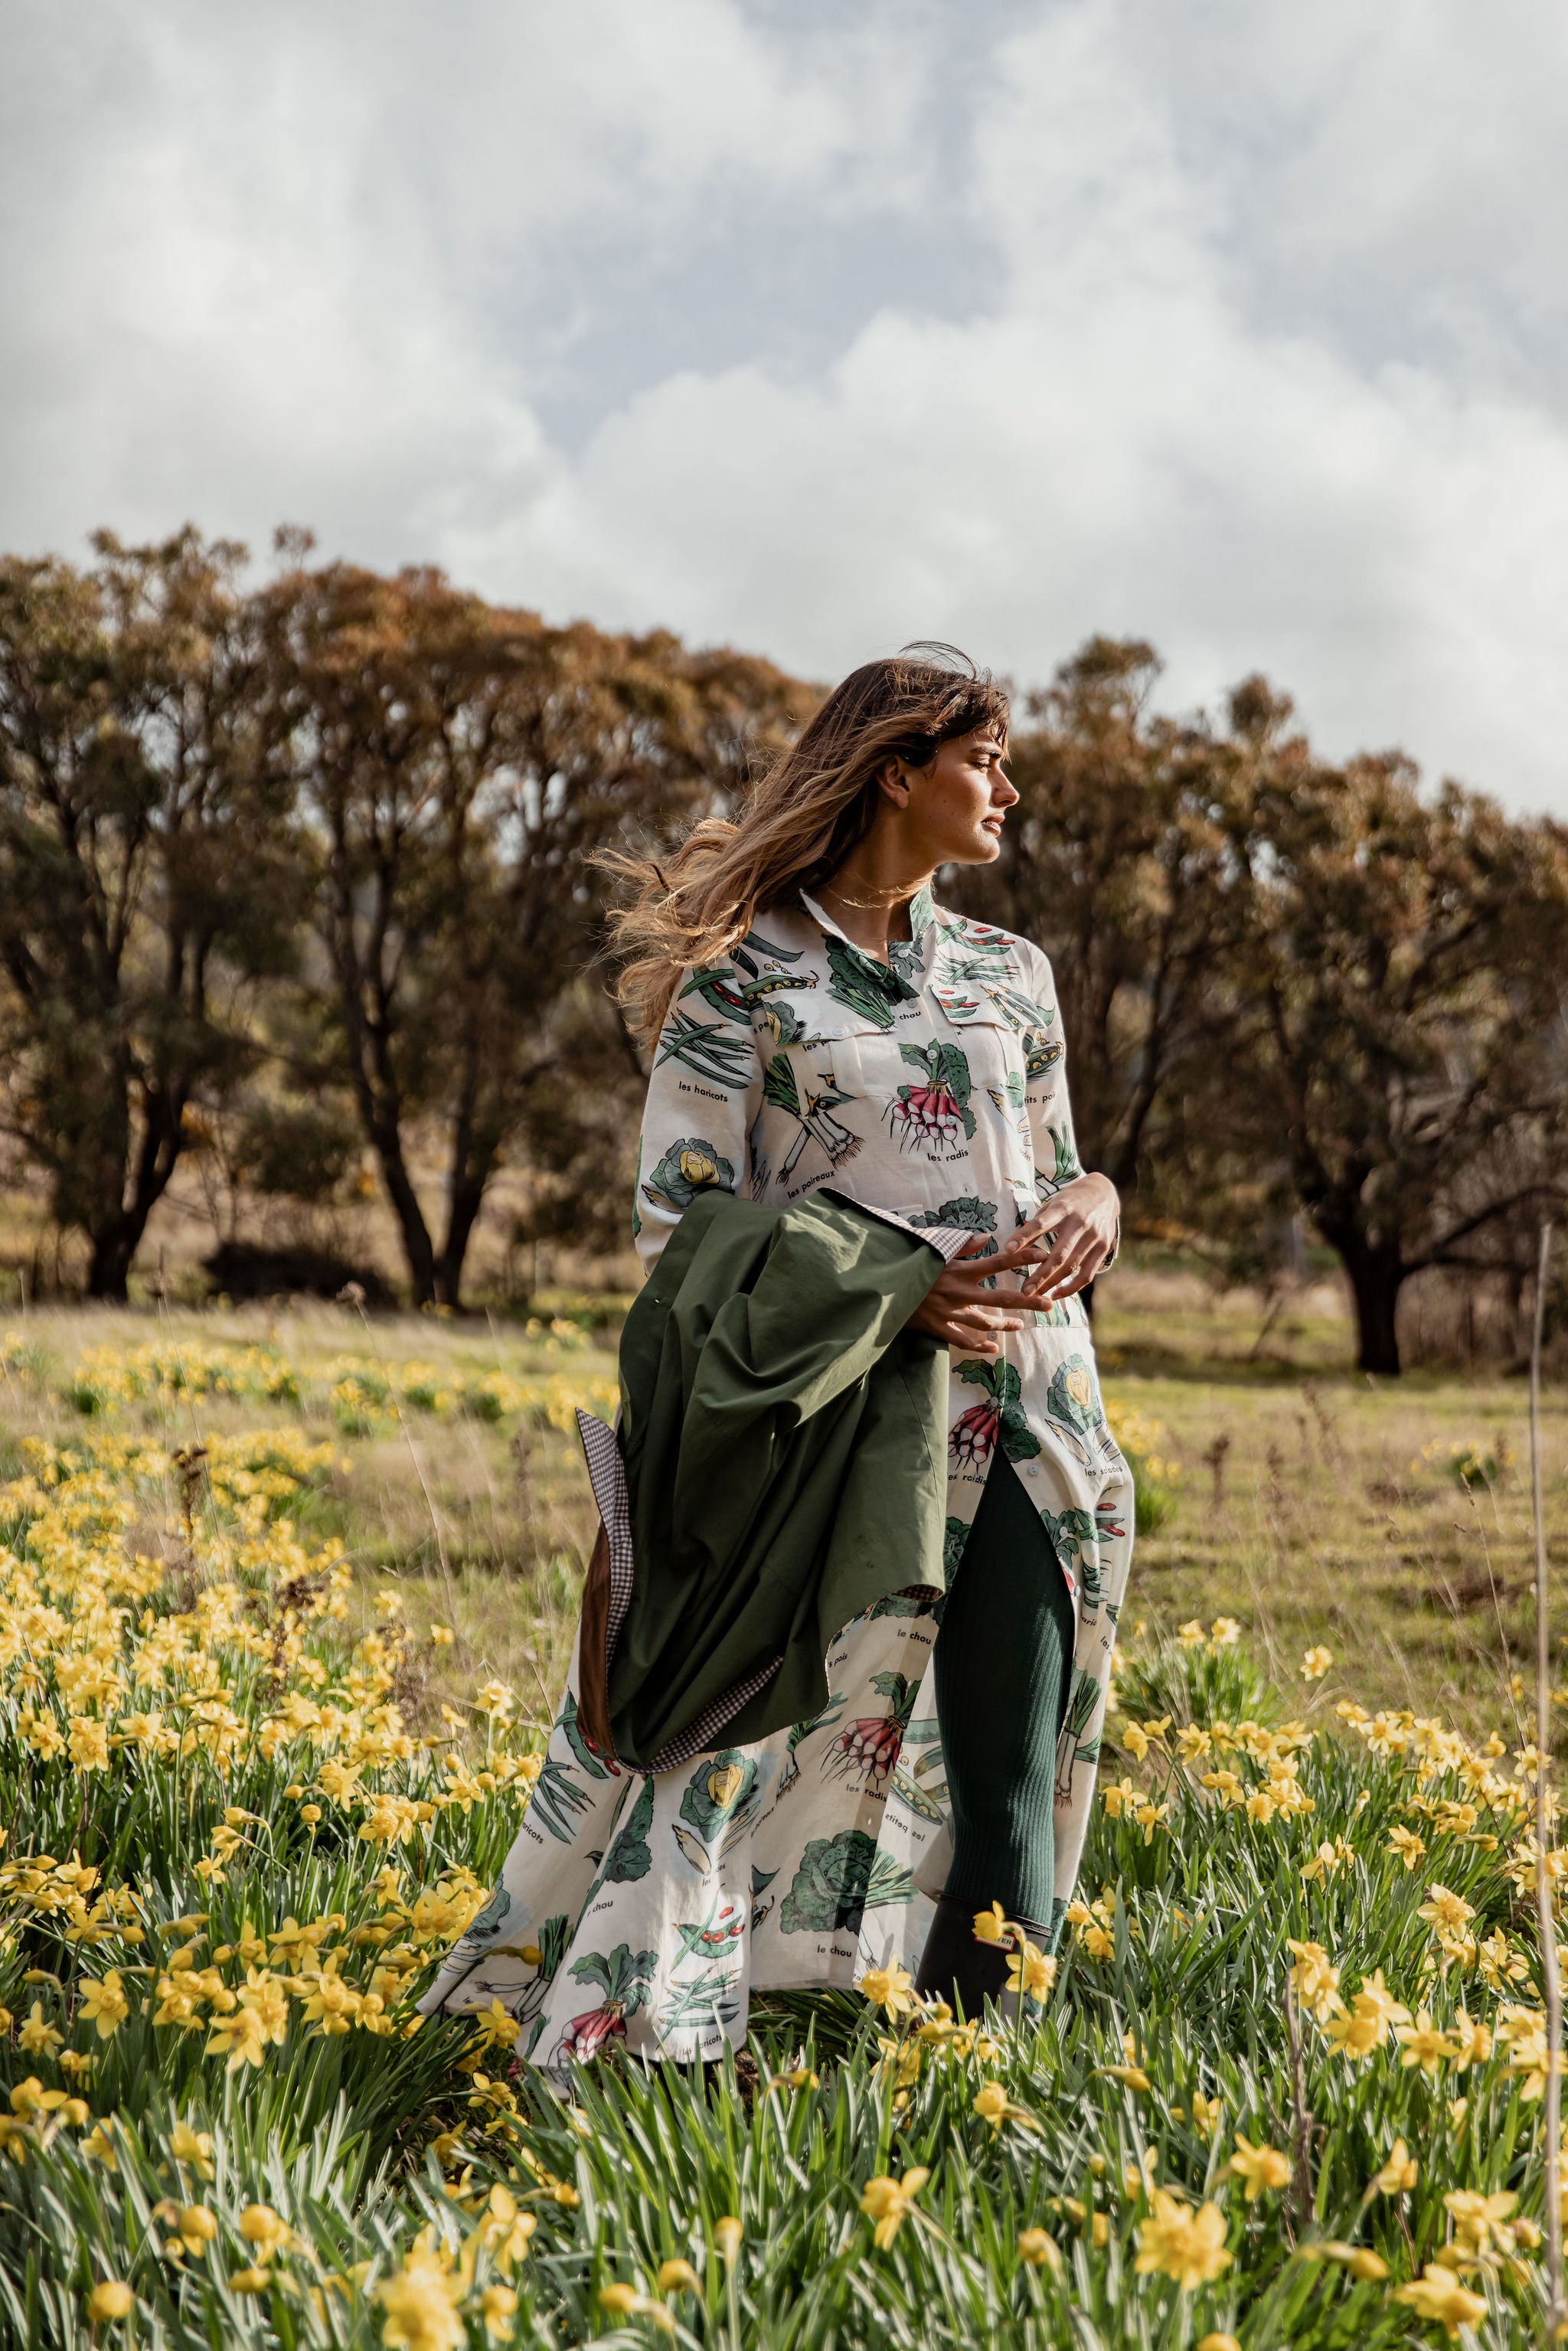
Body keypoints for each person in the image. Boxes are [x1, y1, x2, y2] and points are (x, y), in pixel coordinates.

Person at [418, 645, 1132, 2063]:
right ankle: (663, 2033)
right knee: (736, 1749)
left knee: (1010, 1766)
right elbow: (679, 1216)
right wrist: (898, 1290)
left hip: (1034, 1413)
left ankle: (976, 2084)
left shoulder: (1012, 975)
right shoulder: (743, 977)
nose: (1008, 791)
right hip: (826, 1425)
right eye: (984, 761)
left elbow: (1053, 1166)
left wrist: (1100, 1200)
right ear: (898, 773)